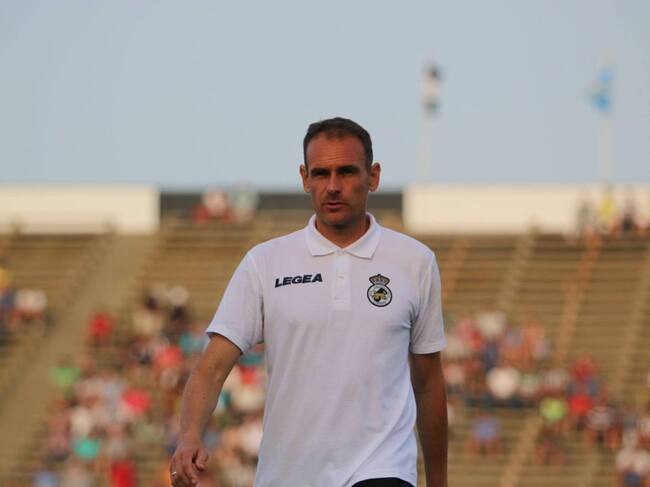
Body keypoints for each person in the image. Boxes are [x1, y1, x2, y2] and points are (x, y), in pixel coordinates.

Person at [169, 117, 448, 487]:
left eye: (346, 172)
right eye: (321, 174)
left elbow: (428, 381)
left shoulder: (414, 261)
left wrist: (439, 480)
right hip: (288, 474)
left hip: (383, 468)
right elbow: (212, 367)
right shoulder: (265, 263)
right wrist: (189, 435)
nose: (333, 186)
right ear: (304, 178)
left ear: (373, 176)